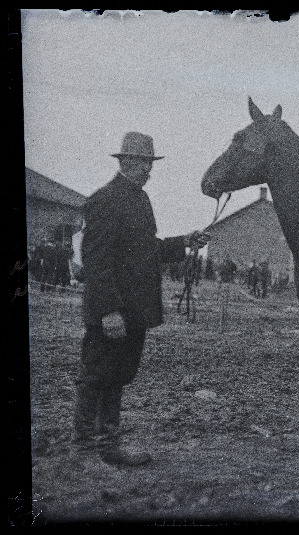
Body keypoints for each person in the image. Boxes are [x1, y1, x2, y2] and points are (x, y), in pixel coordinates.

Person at [73, 132, 209, 467]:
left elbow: (149, 251)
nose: (149, 171)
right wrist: (108, 311)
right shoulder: (104, 200)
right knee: (96, 375)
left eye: (150, 164)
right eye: (144, 164)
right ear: (127, 162)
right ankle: (86, 451)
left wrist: (186, 242)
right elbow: (97, 260)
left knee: (117, 374)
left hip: (134, 310)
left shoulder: (139, 200)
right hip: (113, 310)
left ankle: (108, 447)